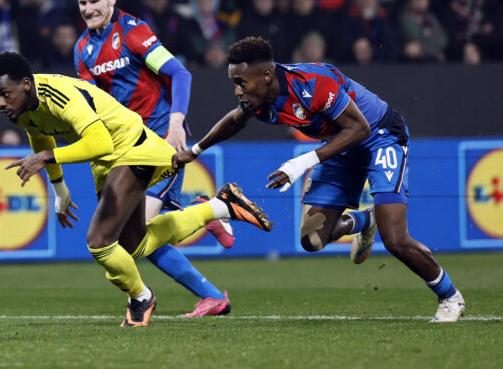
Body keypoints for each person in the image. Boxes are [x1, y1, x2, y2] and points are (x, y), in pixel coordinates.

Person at [172, 36, 464, 323]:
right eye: (234, 83)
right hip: (340, 145)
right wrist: (195, 150)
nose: (237, 91)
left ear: (265, 75)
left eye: (240, 82)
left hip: (379, 137)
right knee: (311, 240)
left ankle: (450, 297)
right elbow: (235, 120)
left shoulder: (312, 83)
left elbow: (360, 128)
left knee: (395, 240)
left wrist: (303, 161)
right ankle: (364, 221)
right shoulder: (257, 98)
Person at [0, 51, 270, 327]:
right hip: (106, 161)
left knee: (99, 241)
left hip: (130, 146)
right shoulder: (22, 108)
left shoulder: (58, 95)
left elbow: (99, 143)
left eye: (4, 94)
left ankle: (141, 298)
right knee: (135, 245)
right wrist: (59, 189)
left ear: (26, 84)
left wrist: (47, 158)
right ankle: (220, 206)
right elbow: (41, 138)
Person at [73, 0, 236, 318]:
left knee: (133, 238)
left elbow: (180, 73)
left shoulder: (133, 32)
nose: (88, 9)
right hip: (125, 148)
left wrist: (176, 121)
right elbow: (94, 105)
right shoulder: (83, 50)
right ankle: (210, 274)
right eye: (83, 2)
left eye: (95, 1)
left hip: (161, 139)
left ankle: (215, 210)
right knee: (135, 238)